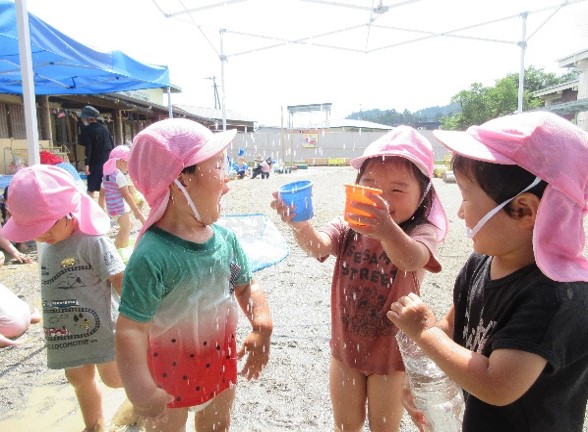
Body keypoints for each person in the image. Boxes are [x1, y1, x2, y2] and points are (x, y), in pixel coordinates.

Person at [387, 112, 588, 432]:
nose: (460, 210)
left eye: (467, 197)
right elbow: (453, 326)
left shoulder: (556, 296)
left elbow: (497, 385)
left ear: (523, 209)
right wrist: (424, 377)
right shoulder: (480, 264)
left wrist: (424, 331)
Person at [271, 126, 448, 432]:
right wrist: (300, 225)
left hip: (390, 358)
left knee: (383, 428)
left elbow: (410, 259)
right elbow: (318, 246)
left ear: (423, 197)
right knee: (346, 425)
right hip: (346, 350)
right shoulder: (349, 226)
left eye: (396, 190)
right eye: (370, 185)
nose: (381, 198)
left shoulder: (420, 233)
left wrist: (385, 229)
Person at [116, 118, 273, 432]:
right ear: (182, 179)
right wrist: (141, 390)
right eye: (218, 166)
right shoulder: (152, 255)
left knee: (217, 425)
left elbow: (247, 286)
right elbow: (131, 330)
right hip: (168, 378)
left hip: (219, 365)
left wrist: (262, 323)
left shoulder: (225, 240)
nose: (226, 181)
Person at [0, 164, 129, 432]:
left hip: (102, 328)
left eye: (47, 226)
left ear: (69, 213)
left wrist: (136, 318)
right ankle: (94, 425)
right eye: (33, 230)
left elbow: (119, 279)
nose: (41, 235)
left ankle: (141, 401)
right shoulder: (47, 243)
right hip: (65, 332)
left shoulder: (92, 241)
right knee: (78, 379)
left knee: (115, 378)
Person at [101, 145, 146, 249]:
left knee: (124, 227)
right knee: (126, 228)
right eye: (129, 163)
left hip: (112, 208)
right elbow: (126, 195)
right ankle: (123, 250)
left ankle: (117, 246)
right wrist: (136, 210)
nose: (129, 167)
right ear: (122, 161)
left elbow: (102, 193)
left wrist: (102, 207)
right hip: (120, 208)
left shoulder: (107, 175)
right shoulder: (119, 176)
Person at [78, 105, 114, 208]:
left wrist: (87, 164)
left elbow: (88, 147)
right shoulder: (104, 128)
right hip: (107, 162)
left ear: (88, 118)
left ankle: (91, 211)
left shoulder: (88, 129)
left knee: (91, 188)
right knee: (105, 188)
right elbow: (111, 145)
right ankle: (105, 211)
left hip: (95, 162)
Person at [0, 283, 41, 348]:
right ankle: (31, 318)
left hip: (12, 326)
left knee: (6, 316)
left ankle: (10, 343)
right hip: (25, 313)